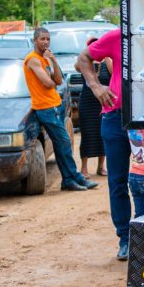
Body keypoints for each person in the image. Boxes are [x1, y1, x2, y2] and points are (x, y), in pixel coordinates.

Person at [76, 28, 131, 261]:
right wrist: (96, 86)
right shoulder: (117, 36)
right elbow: (82, 58)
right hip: (115, 117)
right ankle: (126, 238)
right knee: (118, 181)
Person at [24, 28, 98, 192]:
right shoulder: (33, 60)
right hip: (44, 108)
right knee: (64, 142)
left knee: (61, 144)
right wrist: (51, 80)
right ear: (35, 40)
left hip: (53, 105)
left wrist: (54, 61)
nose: (45, 42)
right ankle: (76, 177)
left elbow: (57, 79)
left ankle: (68, 181)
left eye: (48, 39)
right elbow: (48, 83)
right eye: (42, 39)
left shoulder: (45, 59)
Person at [75, 38, 110, 178]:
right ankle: (84, 168)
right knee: (87, 134)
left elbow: (113, 72)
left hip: (103, 103)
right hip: (88, 103)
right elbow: (77, 66)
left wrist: (107, 57)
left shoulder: (107, 61)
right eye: (92, 46)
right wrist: (90, 59)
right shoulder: (84, 63)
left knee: (103, 134)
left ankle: (101, 167)